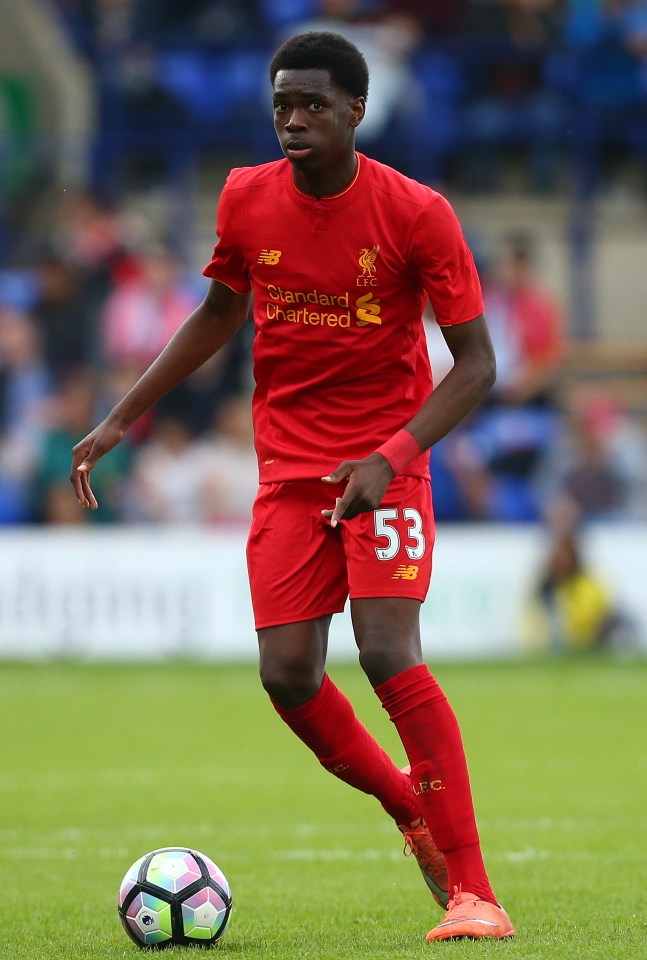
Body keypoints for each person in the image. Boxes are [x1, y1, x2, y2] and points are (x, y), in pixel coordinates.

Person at [70, 31, 514, 942]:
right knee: (286, 675)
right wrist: (123, 415)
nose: (294, 120)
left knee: (388, 650)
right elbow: (218, 313)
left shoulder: (416, 213)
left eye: (313, 104)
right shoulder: (246, 198)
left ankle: (474, 894)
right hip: (288, 470)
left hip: (386, 461)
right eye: (281, 105)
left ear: (356, 111)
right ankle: (409, 811)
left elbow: (476, 366)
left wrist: (390, 456)